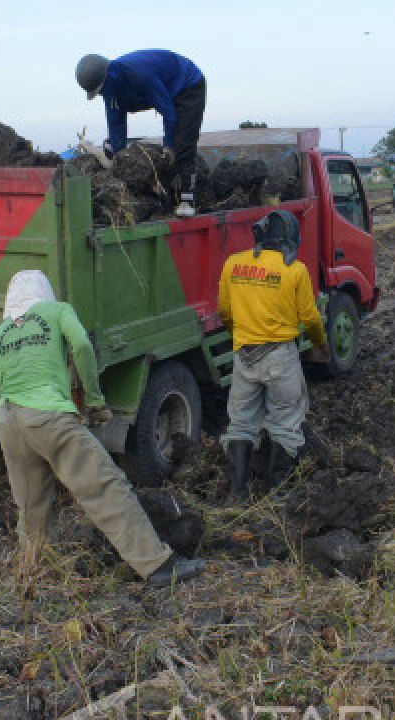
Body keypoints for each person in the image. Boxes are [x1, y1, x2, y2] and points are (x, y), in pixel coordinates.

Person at [0, 270, 205, 586]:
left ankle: (33, 574)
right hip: (49, 417)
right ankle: (156, 565)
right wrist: (95, 399)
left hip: (8, 422)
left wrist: (10, 422)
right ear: (44, 293)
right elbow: (83, 348)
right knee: (106, 486)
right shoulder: (57, 311)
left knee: (32, 507)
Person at [217, 210, 328, 500]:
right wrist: (321, 344)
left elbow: (225, 312)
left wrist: (241, 335)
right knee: (286, 419)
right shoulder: (295, 270)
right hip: (280, 356)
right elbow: (310, 317)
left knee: (240, 421)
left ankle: (237, 493)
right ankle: (279, 492)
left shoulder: (234, 263)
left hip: (244, 355)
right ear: (291, 238)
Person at [76, 50, 205, 217]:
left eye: (100, 90)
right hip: (161, 88)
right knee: (112, 143)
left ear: (106, 77)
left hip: (187, 85)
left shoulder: (140, 75)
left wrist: (168, 145)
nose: (101, 94)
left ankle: (187, 200)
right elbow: (116, 123)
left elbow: (168, 112)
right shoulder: (110, 89)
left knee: (182, 144)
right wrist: (119, 158)